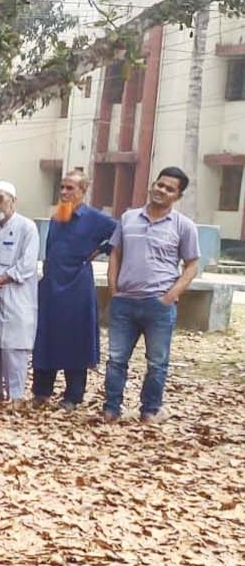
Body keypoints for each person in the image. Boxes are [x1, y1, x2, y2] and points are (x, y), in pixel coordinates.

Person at [102, 167, 200, 424]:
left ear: (177, 196)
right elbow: (116, 254)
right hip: (125, 302)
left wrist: (170, 296)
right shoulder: (128, 218)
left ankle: (150, 411)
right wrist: (114, 290)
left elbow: (191, 264)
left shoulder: (183, 226)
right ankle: (111, 410)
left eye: (169, 189)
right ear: (152, 185)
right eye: (160, 184)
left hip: (159, 305)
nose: (162, 191)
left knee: (157, 363)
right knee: (116, 360)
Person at [33, 167, 116, 409]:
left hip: (77, 285)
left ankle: (73, 395)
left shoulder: (95, 218)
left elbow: (122, 232)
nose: (64, 192)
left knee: (75, 338)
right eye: (62, 187)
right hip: (51, 283)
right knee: (46, 336)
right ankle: (41, 391)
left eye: (70, 188)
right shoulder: (58, 216)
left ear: (83, 190)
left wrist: (101, 249)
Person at [0, 181, 39, 403]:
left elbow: (28, 263)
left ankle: (16, 396)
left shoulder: (27, 227)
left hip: (16, 293)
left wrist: (4, 278)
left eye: (0, 198)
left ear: (13, 200)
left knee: (15, 348)